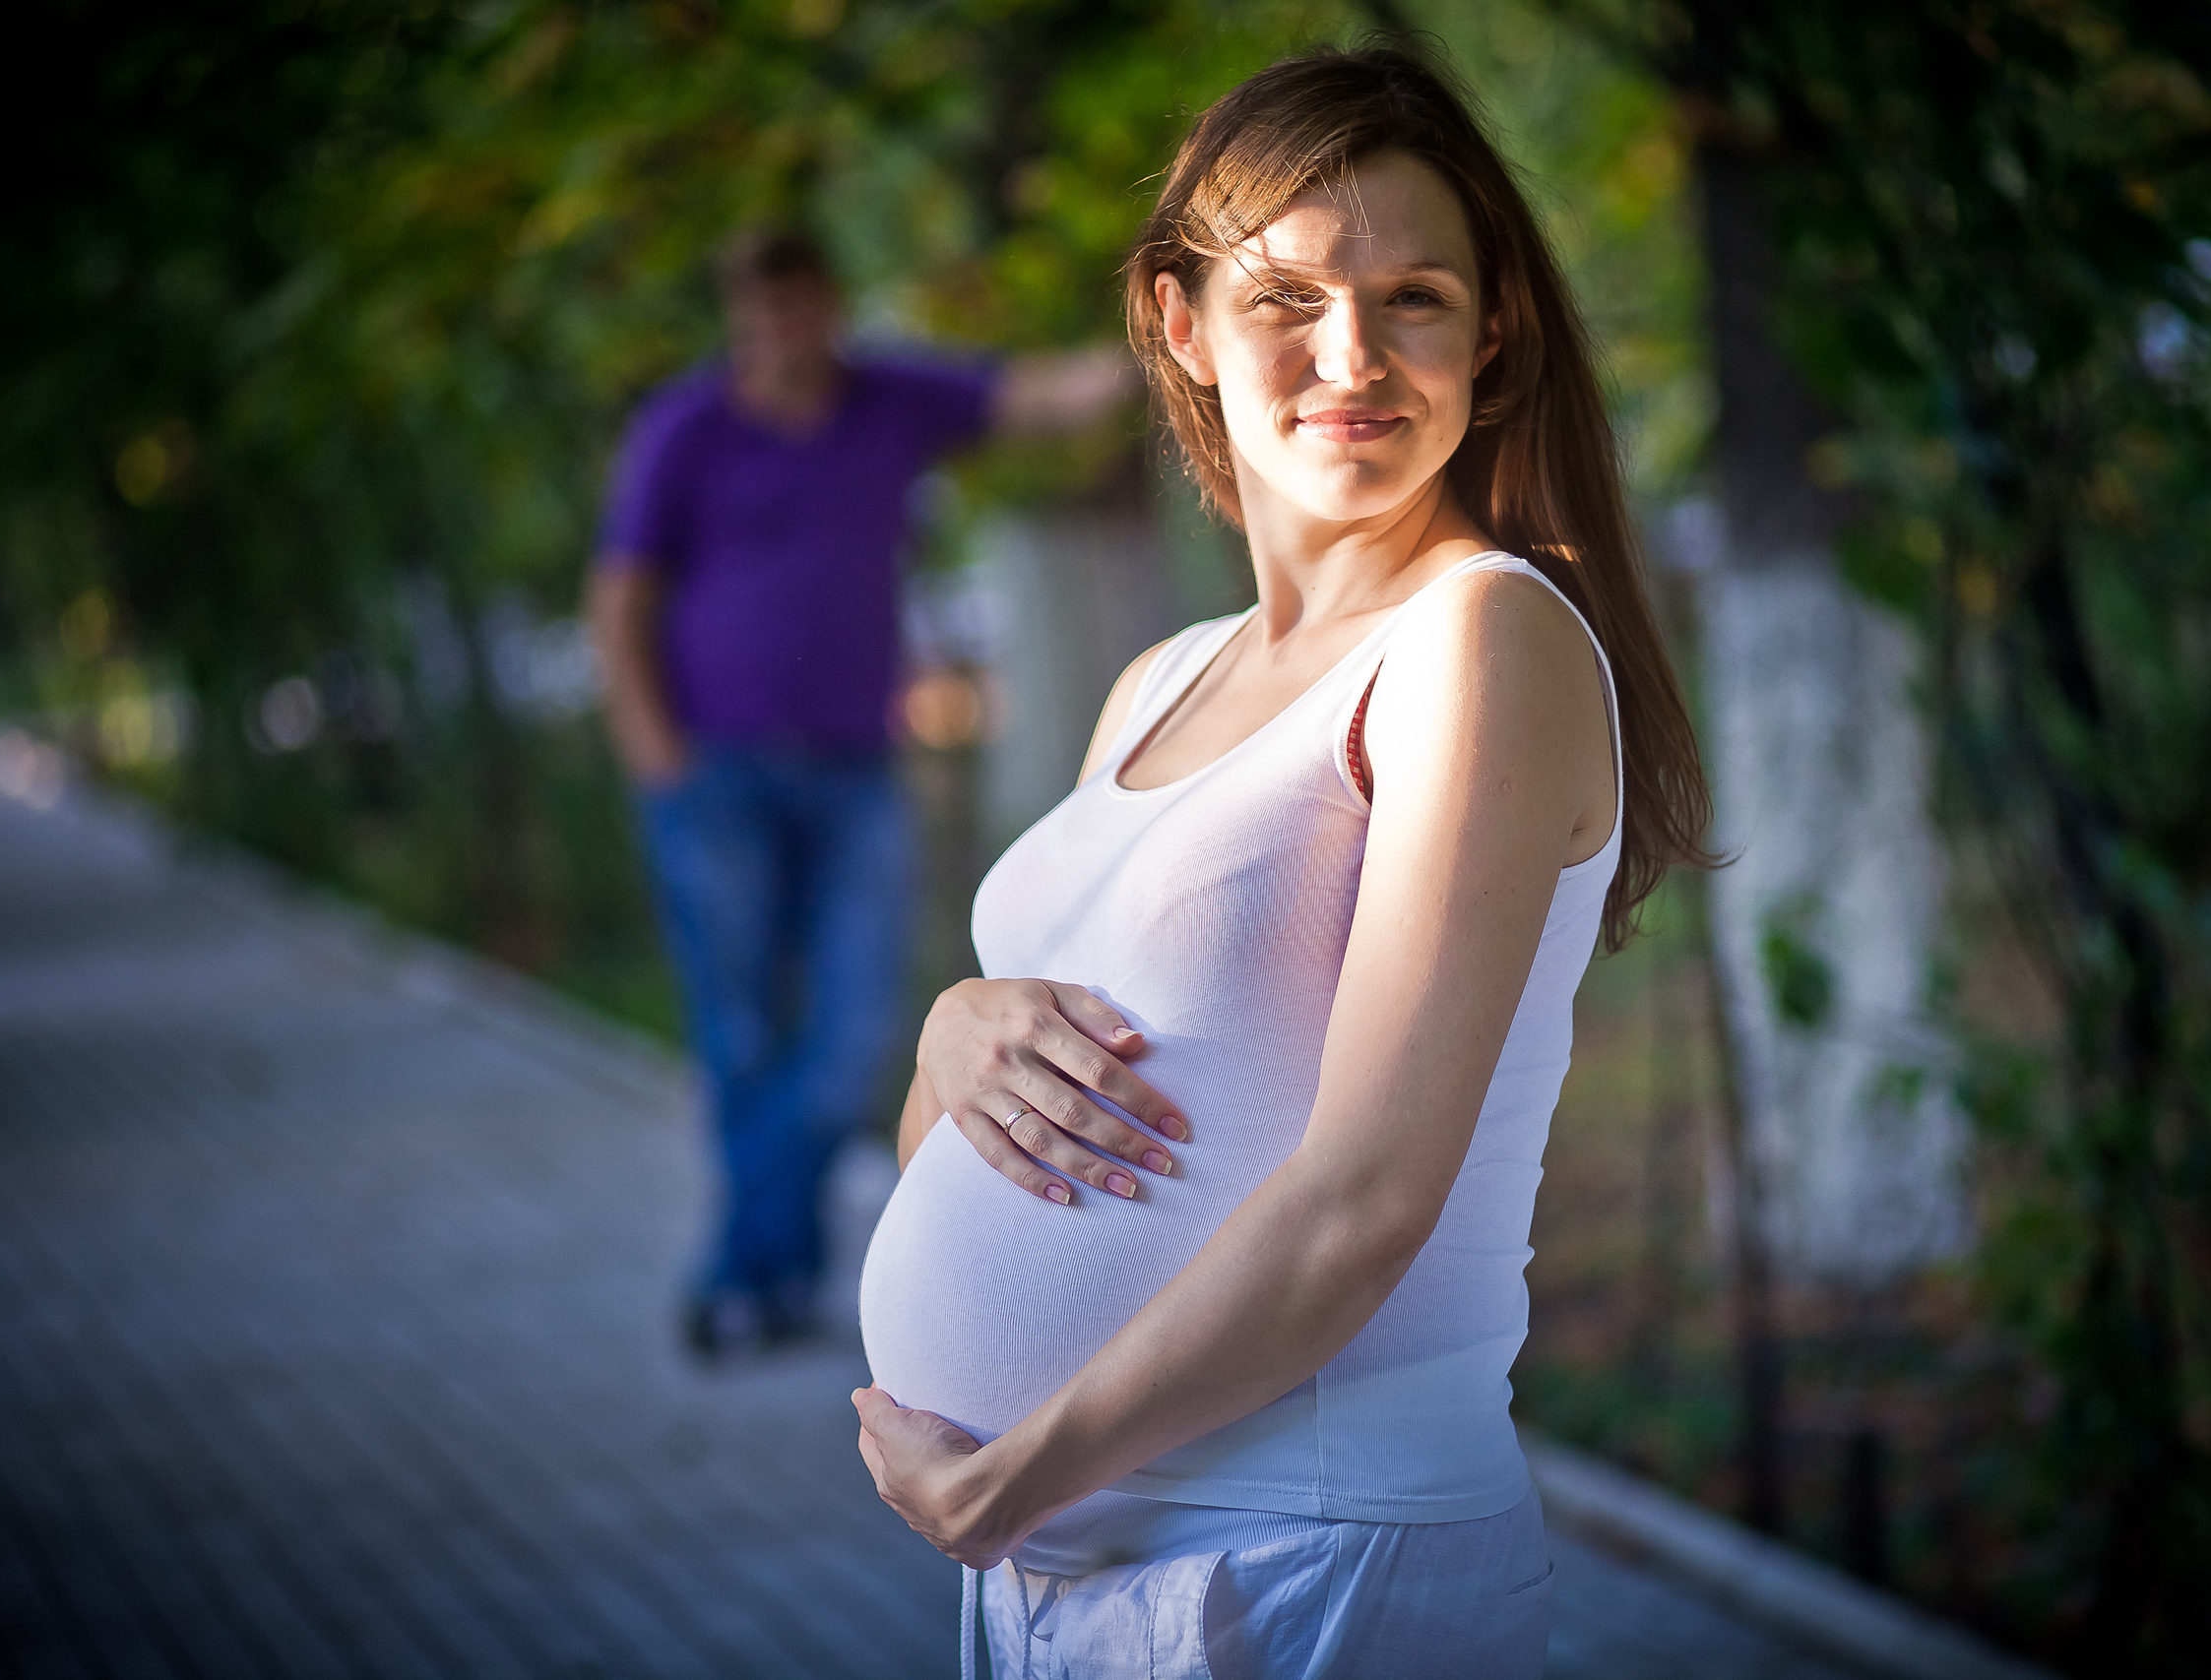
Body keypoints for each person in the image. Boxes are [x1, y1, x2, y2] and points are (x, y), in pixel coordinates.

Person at [850, 45, 1715, 1680]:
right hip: (1079, 1566)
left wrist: (1010, 1480)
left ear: (1491, 331)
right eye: (1287, 298)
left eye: (1415, 299)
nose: (1353, 356)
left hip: (1301, 1556)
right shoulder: (1158, 681)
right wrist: (950, 1032)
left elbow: (1368, 1196)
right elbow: (997, 1129)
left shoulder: (1481, 638)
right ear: (1179, 321)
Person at [589, 231, 1131, 1358]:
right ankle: (766, 1282)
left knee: (852, 1038)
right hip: (715, 775)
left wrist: (1186, 329)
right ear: (738, 315)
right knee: (742, 1033)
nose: (782, 331)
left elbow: (1037, 395)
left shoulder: (889, 401)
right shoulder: (685, 429)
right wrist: (657, 763)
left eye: (799, 306)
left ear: (828, 304)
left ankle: (743, 1271)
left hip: (855, 776)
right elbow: (620, 597)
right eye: (760, 311)